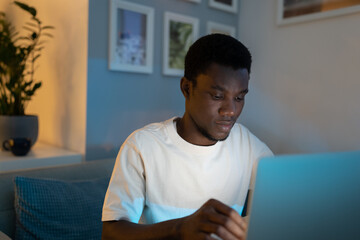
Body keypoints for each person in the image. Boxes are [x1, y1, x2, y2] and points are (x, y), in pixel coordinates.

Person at [101, 33, 273, 240]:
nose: (231, 110)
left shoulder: (251, 149)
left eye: (239, 97)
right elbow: (110, 234)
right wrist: (181, 229)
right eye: (218, 96)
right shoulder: (142, 146)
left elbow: (280, 213)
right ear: (187, 88)